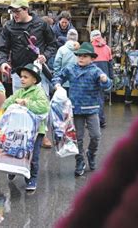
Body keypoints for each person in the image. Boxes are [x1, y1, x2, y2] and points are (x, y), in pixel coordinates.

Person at [0, 0, 57, 148]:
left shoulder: (41, 24)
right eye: (12, 12)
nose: (14, 15)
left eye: (17, 11)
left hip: (39, 71)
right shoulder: (8, 26)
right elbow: (2, 48)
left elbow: (53, 44)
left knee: (41, 104)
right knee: (20, 104)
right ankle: (23, 134)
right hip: (19, 71)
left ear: (26, 10)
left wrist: (46, 55)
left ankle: (42, 134)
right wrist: (3, 62)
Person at [52, 42, 112, 176]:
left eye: (85, 56)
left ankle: (91, 153)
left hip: (92, 109)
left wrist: (104, 79)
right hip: (76, 109)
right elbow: (57, 76)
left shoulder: (96, 71)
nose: (81, 58)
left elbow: (108, 86)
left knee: (96, 135)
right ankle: (79, 161)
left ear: (92, 58)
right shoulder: (71, 68)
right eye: (79, 56)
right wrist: (57, 85)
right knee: (77, 138)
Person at [3, 63, 50, 191]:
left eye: (26, 77)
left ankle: (31, 178)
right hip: (19, 129)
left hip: (35, 131)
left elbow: (44, 107)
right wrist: (2, 107)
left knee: (33, 156)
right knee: (14, 151)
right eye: (21, 77)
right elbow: (8, 102)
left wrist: (26, 102)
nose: (22, 79)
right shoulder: (19, 92)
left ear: (34, 80)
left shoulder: (39, 92)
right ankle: (13, 169)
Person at [90, 30, 114, 128]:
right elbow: (110, 64)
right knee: (100, 98)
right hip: (104, 76)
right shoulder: (107, 48)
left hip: (91, 76)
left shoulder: (90, 48)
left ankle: (94, 121)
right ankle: (101, 120)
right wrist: (111, 78)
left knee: (92, 99)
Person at [53, 29, 79, 93]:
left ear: (67, 37)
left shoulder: (61, 49)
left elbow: (56, 65)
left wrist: (57, 78)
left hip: (63, 82)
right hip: (76, 82)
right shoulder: (80, 50)